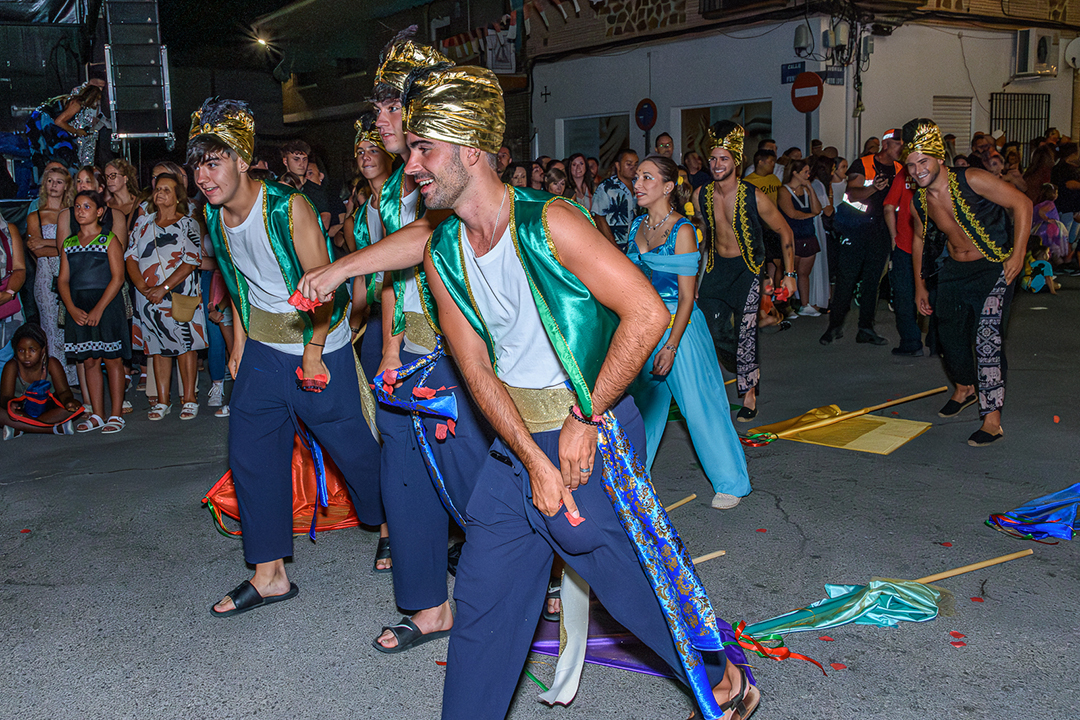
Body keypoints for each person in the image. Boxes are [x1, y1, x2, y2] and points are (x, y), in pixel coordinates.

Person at [403, 63, 758, 720]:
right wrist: (532, 459)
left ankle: (718, 673)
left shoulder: (551, 222)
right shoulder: (442, 251)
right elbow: (477, 372)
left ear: (468, 148)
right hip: (517, 444)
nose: (412, 166)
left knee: (620, 574)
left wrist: (585, 417)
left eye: (423, 148)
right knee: (484, 595)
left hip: (589, 428)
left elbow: (647, 312)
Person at [187, 97, 384, 616]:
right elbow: (236, 284)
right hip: (261, 348)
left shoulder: (286, 207)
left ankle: (393, 523)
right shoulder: (213, 213)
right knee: (252, 455)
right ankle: (269, 574)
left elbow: (326, 287)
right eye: (196, 164)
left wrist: (314, 352)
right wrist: (237, 344)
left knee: (356, 453)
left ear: (240, 158)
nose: (203, 175)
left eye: (213, 161)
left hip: (316, 346)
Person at [361, 39, 492, 653]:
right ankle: (428, 606)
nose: (380, 120)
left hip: (459, 358)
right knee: (404, 480)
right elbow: (393, 277)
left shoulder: (446, 179)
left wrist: (337, 272)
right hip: (409, 351)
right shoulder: (391, 190)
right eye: (381, 107)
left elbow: (419, 243)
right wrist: (389, 349)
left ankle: (536, 581)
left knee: (481, 485)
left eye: (392, 107)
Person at [624, 155, 751, 509]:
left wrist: (672, 345)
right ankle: (633, 481)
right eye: (637, 177)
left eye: (647, 178)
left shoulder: (683, 231)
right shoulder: (636, 226)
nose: (638, 183)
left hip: (680, 328)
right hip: (642, 325)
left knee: (701, 406)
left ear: (668, 187)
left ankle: (731, 482)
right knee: (641, 408)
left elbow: (686, 297)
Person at [905, 118, 1032, 447]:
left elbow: (1023, 203)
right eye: (911, 164)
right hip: (953, 271)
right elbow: (920, 239)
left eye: (923, 161)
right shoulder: (919, 200)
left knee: (987, 339)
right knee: (949, 339)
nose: (918, 170)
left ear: (939, 159)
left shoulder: (973, 179)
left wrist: (1017, 255)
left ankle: (992, 420)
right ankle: (965, 388)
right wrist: (920, 284)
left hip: (993, 268)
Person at [693, 121, 796, 423]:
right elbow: (701, 235)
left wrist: (788, 275)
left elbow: (786, 232)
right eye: (712, 158)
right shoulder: (700, 195)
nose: (716, 164)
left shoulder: (755, 196)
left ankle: (749, 393)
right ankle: (744, 368)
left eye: (723, 158)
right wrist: (693, 276)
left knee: (746, 333)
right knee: (712, 330)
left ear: (735, 161)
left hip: (748, 269)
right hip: (716, 269)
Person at [126, 174, 207, 421]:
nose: (160, 193)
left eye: (166, 189)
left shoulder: (187, 224)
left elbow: (192, 260)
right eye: (157, 189)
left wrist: (163, 288)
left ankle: (189, 399)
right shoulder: (142, 223)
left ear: (177, 196)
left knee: (186, 346)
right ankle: (162, 401)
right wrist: (142, 286)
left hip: (180, 294)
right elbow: (131, 256)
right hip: (148, 297)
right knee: (156, 347)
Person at [57, 190, 131, 434]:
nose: (80, 211)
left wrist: (99, 307)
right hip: (79, 305)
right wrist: (71, 307)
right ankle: (97, 414)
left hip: (107, 305)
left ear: (100, 212)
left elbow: (118, 277)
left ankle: (116, 414)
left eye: (87, 206)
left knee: (113, 360)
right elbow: (63, 280)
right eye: (77, 206)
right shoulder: (69, 243)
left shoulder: (109, 239)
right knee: (89, 360)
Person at [821, 128, 902, 346]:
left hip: (882, 231)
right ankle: (834, 327)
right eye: (898, 144)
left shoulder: (900, 169)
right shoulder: (863, 164)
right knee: (846, 279)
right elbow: (851, 192)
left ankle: (866, 328)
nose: (901, 149)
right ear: (886, 145)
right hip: (856, 229)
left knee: (872, 282)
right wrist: (873, 188)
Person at [343, 111, 395, 381]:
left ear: (389, 154)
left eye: (373, 150)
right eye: (360, 151)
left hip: (405, 308)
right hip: (376, 311)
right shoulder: (360, 218)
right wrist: (353, 323)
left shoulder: (404, 201)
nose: (365, 157)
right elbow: (362, 275)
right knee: (369, 380)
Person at [25, 167, 78, 385]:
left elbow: (80, 245)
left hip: (73, 273)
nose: (54, 185)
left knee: (72, 326)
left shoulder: (74, 212)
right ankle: (58, 380)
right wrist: (65, 245)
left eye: (59, 181)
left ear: (66, 186)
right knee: (50, 327)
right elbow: (36, 250)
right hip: (46, 276)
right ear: (44, 184)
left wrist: (52, 245)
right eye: (50, 181)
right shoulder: (35, 215)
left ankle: (75, 379)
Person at [1, 323, 83, 440]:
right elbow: (5, 396)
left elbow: (64, 391)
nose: (26, 355)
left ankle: (20, 428)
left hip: (46, 410)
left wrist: (68, 401)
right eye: (21, 350)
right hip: (21, 411)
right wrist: (10, 403)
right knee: (3, 413)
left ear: (43, 350)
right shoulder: (12, 366)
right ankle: (53, 429)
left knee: (71, 409)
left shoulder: (52, 364)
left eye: (32, 350)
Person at [25, 80, 105, 180]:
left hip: (40, 120)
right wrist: (75, 131)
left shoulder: (72, 99)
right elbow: (59, 121)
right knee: (60, 150)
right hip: (41, 122)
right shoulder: (77, 104)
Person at [883, 167, 923, 356]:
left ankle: (911, 341)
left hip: (905, 244)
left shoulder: (904, 174)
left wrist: (893, 237)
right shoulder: (942, 172)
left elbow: (889, 207)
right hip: (932, 248)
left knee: (904, 296)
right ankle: (938, 342)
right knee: (936, 294)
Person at [777, 159, 822, 315]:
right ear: (795, 173)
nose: (808, 174)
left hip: (808, 234)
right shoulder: (784, 191)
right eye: (805, 172)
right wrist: (810, 215)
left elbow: (817, 209)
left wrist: (810, 188)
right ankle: (785, 305)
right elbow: (792, 213)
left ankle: (805, 304)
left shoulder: (807, 190)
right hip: (793, 236)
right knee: (788, 271)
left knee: (804, 273)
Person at [591, 148, 639, 250]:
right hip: (614, 245)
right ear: (618, 166)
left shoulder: (640, 185)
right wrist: (613, 246)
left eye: (635, 164)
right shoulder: (607, 187)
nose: (633, 168)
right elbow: (599, 217)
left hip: (636, 245)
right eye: (629, 164)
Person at [806, 155, 834, 312]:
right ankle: (817, 300)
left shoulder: (814, 184)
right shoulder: (819, 185)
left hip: (815, 224)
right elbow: (828, 210)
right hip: (818, 225)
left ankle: (815, 298)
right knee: (819, 262)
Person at [0, 212, 26, 368]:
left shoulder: (9, 230)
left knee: (8, 360)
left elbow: (20, 268)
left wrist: (8, 294)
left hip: (7, 303)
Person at [1031, 183, 1070, 262]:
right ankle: (1051, 264)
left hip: (1040, 228)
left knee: (1043, 247)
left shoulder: (1039, 204)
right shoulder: (1050, 204)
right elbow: (1041, 212)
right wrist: (1047, 219)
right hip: (1048, 229)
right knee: (1051, 247)